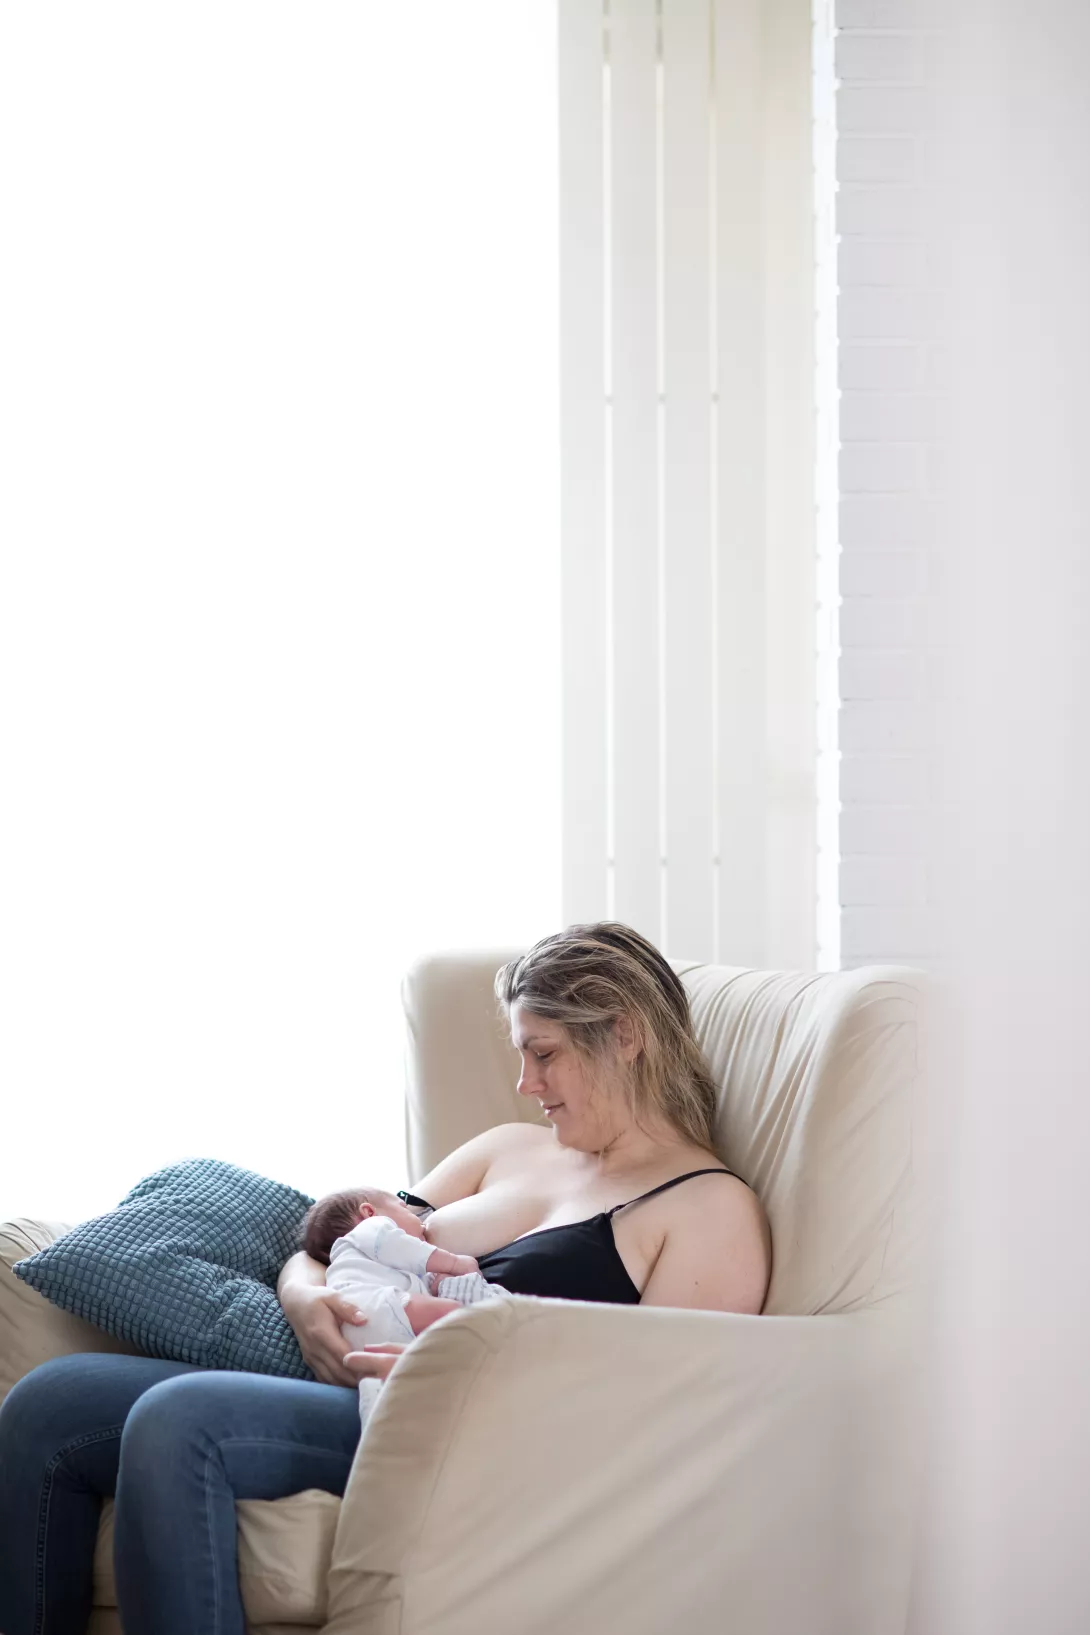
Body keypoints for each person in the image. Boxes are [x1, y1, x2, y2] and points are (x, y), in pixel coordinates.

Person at [0, 922, 771, 1635]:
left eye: (544, 1052)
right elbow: (345, 1236)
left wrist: (457, 1372)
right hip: (349, 1374)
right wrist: (306, 1302)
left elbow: (666, 1404)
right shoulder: (507, 1147)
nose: (525, 1084)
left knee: (179, 1419)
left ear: (625, 1035)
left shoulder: (708, 1209)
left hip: (449, 1415)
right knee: (46, 1403)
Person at [300, 1185, 502, 1422]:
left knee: (383, 1392)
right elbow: (403, 1247)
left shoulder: (377, 1265)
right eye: (407, 1209)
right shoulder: (372, 1230)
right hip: (368, 1305)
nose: (423, 1224)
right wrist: (455, 1264)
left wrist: (437, 1283)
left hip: (360, 1331)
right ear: (368, 1212)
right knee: (453, 1314)